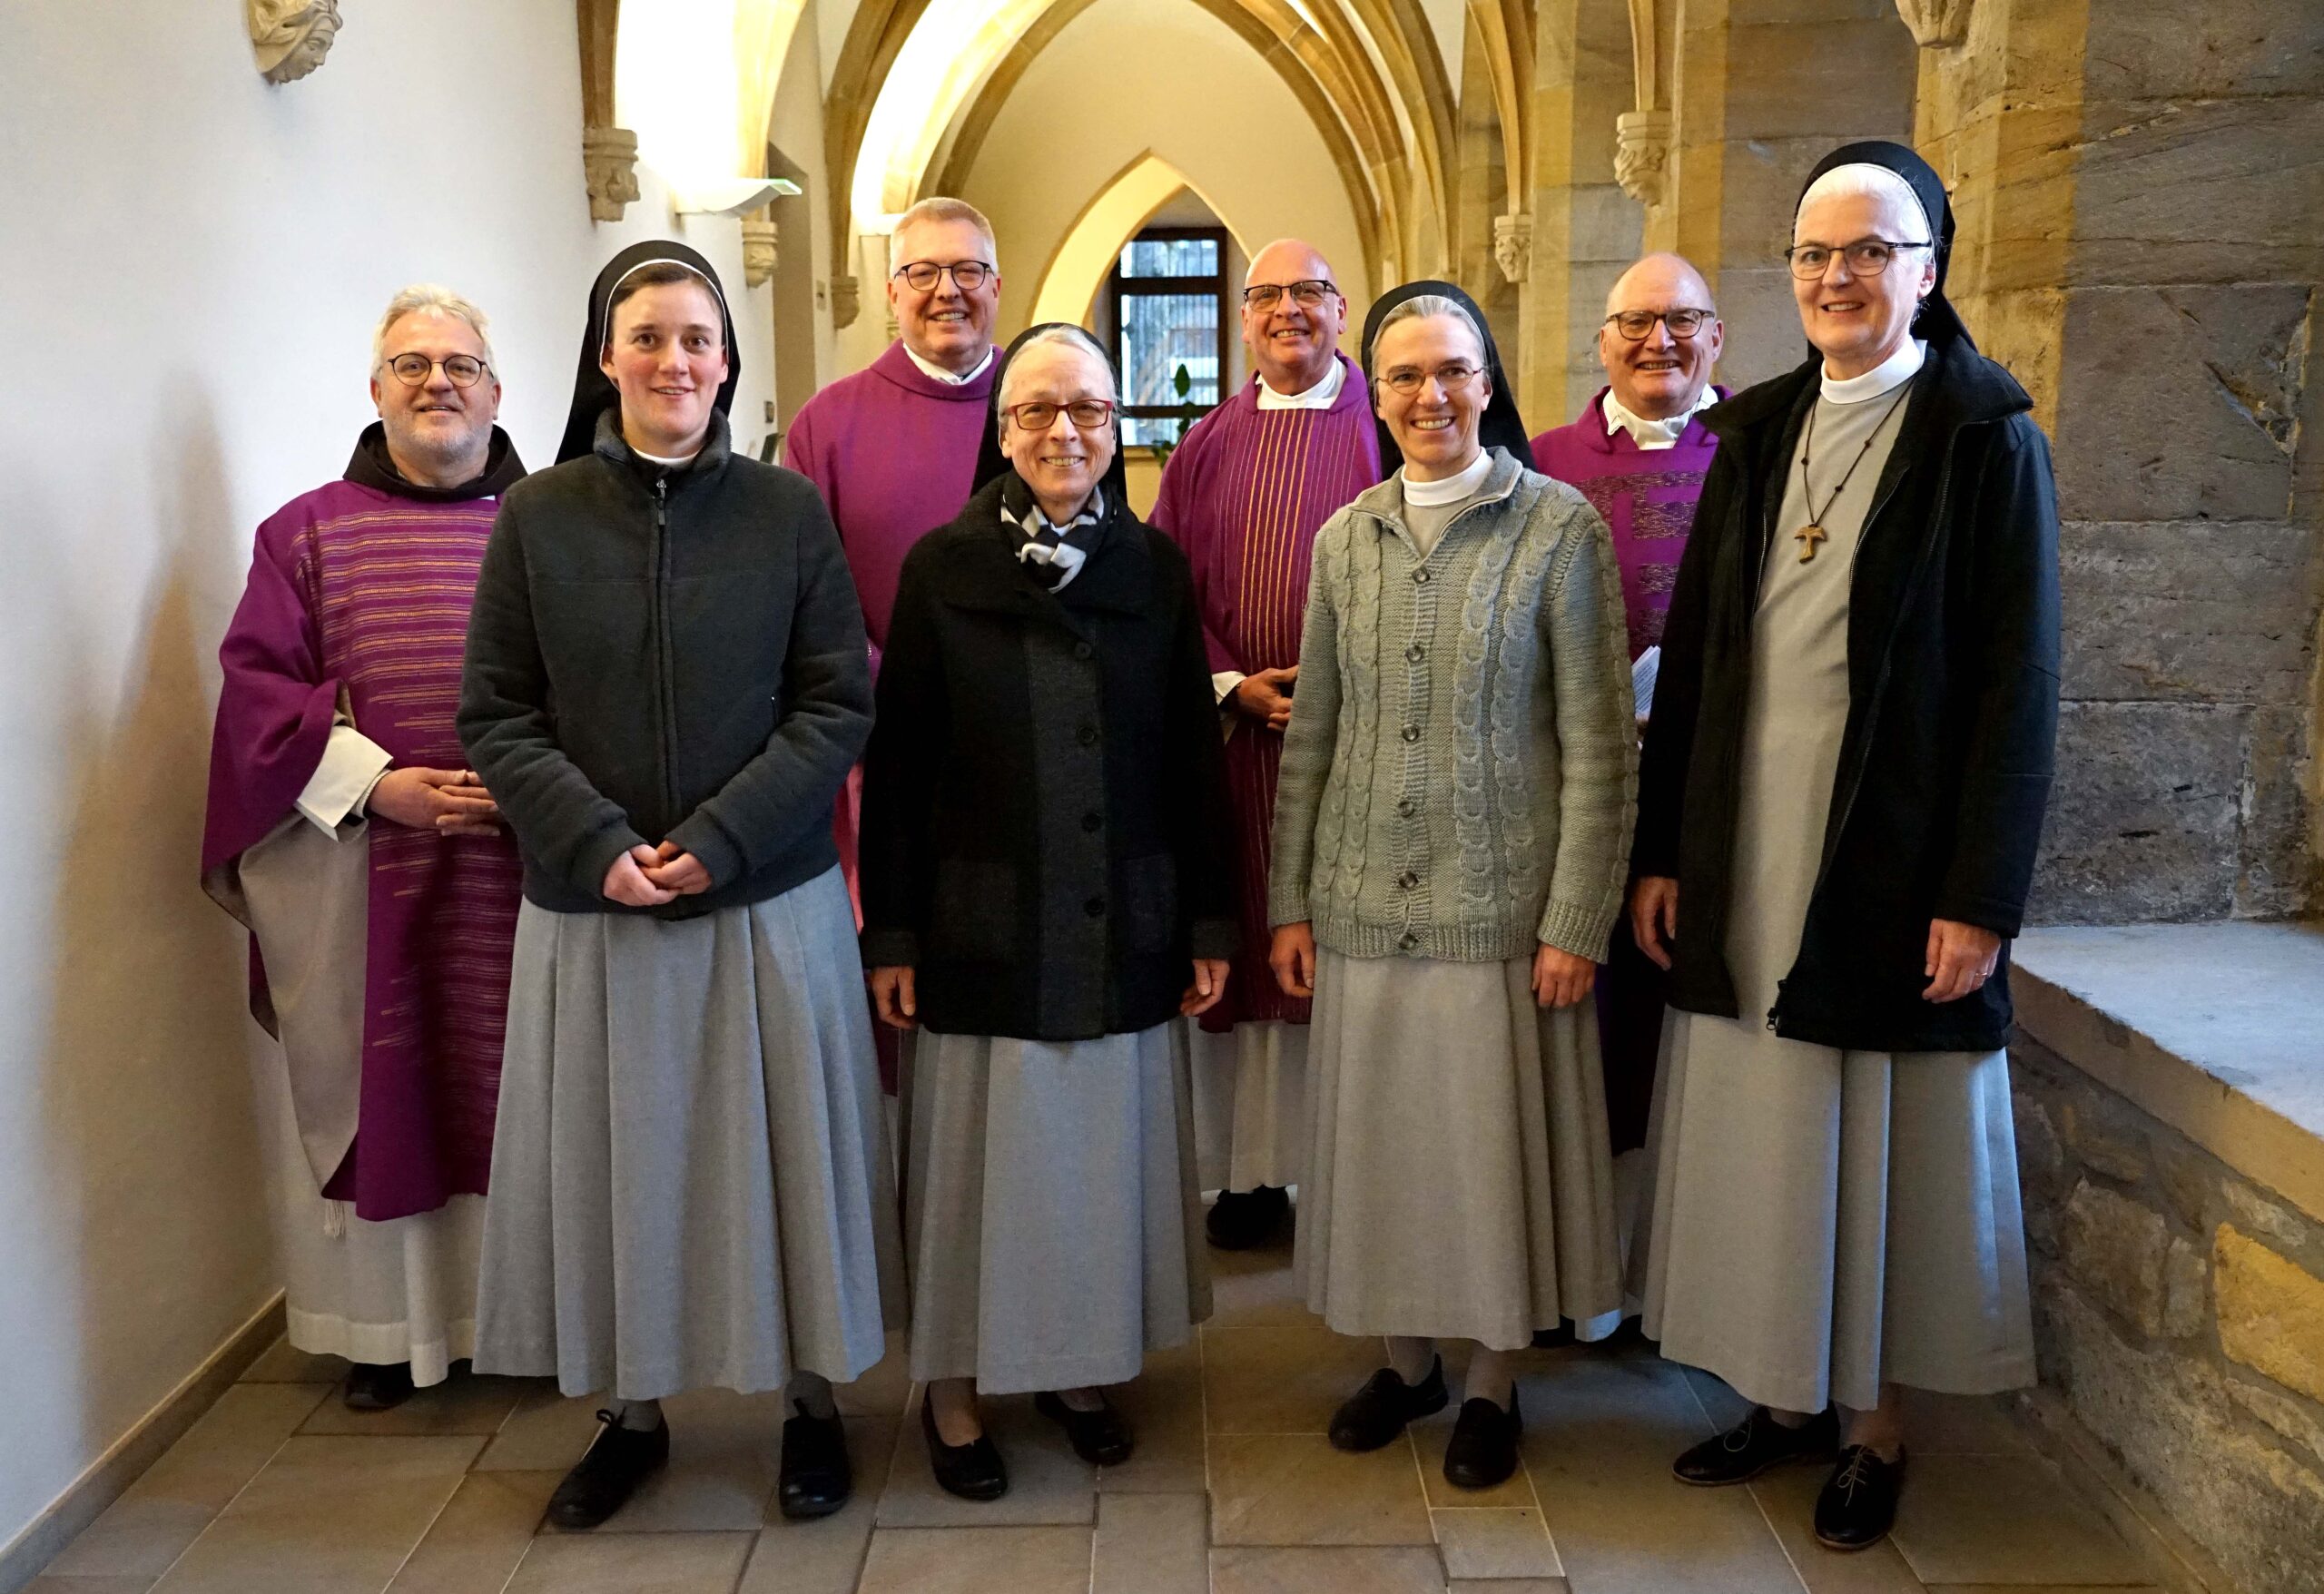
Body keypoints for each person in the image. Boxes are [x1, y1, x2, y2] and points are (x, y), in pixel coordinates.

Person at [1630, 141, 2059, 1551]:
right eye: (1815, 254)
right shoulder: (1755, 430)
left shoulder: (1984, 435)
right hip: (1748, 844)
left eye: (1868, 251)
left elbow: (2019, 681)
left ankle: (1873, 1424)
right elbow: (1694, 660)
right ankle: (1778, 1386)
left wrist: (1978, 895)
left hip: (1887, 852)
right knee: (1768, 1126)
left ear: (1927, 267)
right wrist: (1665, 851)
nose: (1837, 278)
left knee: (1870, 1141)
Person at [460, 241, 902, 1530]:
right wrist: (594, 839)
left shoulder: (785, 514)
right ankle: (632, 1411)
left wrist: (725, 833)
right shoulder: (538, 517)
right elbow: (495, 710)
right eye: (647, 337)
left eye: (697, 339)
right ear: (606, 355)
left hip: (768, 898)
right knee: (622, 1173)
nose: (674, 361)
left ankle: (813, 1403)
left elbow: (837, 700)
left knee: (790, 1162)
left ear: (728, 358)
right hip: (595, 908)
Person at [859, 323, 1235, 1501]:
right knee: (979, 1170)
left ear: (1116, 428)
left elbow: (1191, 760)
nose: (1063, 432)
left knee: (1086, 1171)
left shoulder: (1156, 570)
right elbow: (901, 762)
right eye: (1036, 412)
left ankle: (1076, 1371)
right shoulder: (940, 567)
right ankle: (960, 1391)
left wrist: (1211, 924)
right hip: (985, 925)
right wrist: (896, 934)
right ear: (1003, 430)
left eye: (1087, 410)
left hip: (1123, 919)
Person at [1267, 282, 1631, 1491]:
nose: (1431, 396)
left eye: (1454, 372)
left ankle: (1489, 1381)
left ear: (1489, 383)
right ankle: (1404, 1359)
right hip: (1364, 896)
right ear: (1374, 395)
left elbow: (1597, 741)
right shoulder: (1344, 539)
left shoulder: (1558, 528)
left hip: (1501, 907)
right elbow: (1313, 732)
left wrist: (1577, 915)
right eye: (1407, 376)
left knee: (1483, 1159)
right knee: (1382, 1151)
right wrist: (1290, 900)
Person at [202, 284, 526, 1413]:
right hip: (366, 868)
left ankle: (532, 1323)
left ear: (497, 387)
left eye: (459, 363)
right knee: (397, 1074)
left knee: (525, 1084)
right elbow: (255, 698)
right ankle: (393, 1337)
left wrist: (536, 790)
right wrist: (377, 787)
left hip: (533, 870)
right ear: (375, 387)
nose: (436, 381)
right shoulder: (303, 533)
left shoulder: (553, 527)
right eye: (410, 362)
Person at [1148, 239, 1382, 1250]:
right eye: (1267, 296)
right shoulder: (1204, 444)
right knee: (1246, 948)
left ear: (1341, 309)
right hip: (1237, 742)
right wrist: (1231, 683)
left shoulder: (1390, 420)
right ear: (1244, 319)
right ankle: (1248, 1177)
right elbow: (1165, 590)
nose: (1288, 311)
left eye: (1308, 292)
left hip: (1364, 749)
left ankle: (1346, 1168)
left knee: (1344, 951)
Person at [784, 195, 1004, 1085]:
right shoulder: (828, 422)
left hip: (1012, 753)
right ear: (890, 290)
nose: (945, 291)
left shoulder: (1043, 408)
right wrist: (902, 687)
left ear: (996, 284)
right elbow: (805, 595)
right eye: (923, 272)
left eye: (966, 272)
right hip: (875, 747)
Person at [1529, 252, 1726, 1219]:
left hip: (1708, 788)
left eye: (1682, 320)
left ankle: (1680, 1267)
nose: (1659, 341)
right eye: (1636, 323)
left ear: (1716, 338)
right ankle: (1585, 1262)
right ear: (1600, 341)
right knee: (1586, 1017)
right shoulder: (1542, 462)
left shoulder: (1757, 455)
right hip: (1573, 786)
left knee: (1686, 1020)